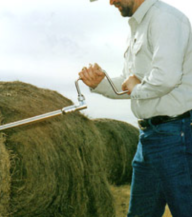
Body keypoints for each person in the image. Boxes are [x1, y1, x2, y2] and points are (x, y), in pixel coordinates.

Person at [79, 0, 192, 216]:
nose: (111, 2)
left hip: (174, 135)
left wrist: (136, 88)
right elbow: (128, 83)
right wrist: (99, 84)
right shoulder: (137, 28)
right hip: (149, 139)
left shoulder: (164, 18)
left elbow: (165, 78)